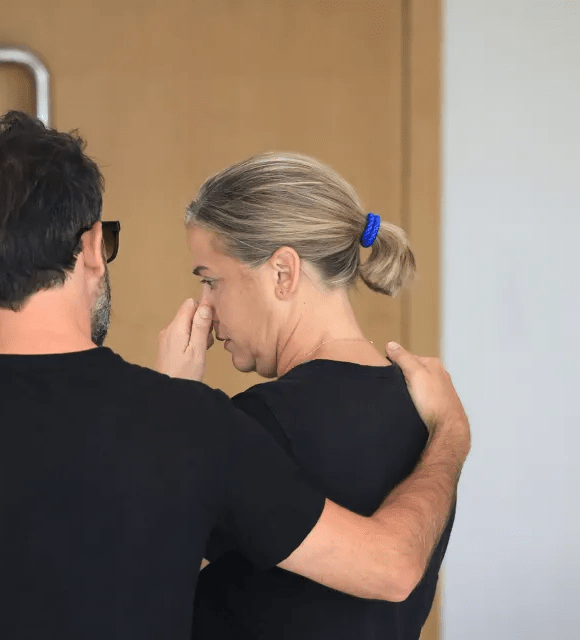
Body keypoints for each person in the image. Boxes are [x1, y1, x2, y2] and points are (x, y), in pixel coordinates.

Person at [0, 111, 469, 640]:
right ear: (93, 248)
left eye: (210, 280)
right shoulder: (196, 427)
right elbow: (391, 566)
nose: (208, 309)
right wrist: (451, 438)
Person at [162, 152, 453, 639]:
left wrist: (172, 407)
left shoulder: (260, 424)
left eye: (211, 281)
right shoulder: (425, 415)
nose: (204, 310)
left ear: (283, 272)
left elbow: (141, 571)